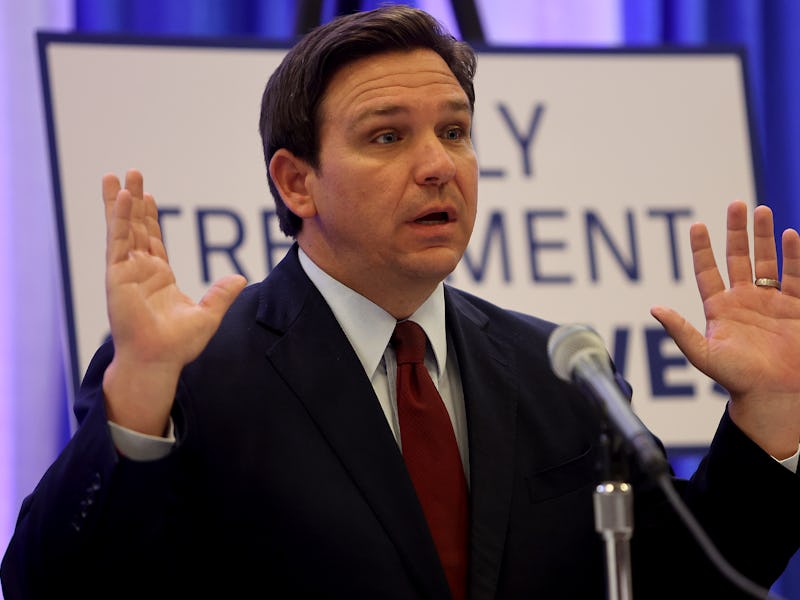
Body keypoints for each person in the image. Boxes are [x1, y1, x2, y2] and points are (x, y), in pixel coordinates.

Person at [2, 5, 800, 599]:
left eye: (455, 132)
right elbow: (48, 588)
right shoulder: (190, 372)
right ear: (295, 181)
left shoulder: (557, 368)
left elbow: (693, 583)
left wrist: (767, 416)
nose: (438, 165)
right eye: (388, 137)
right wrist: (139, 392)